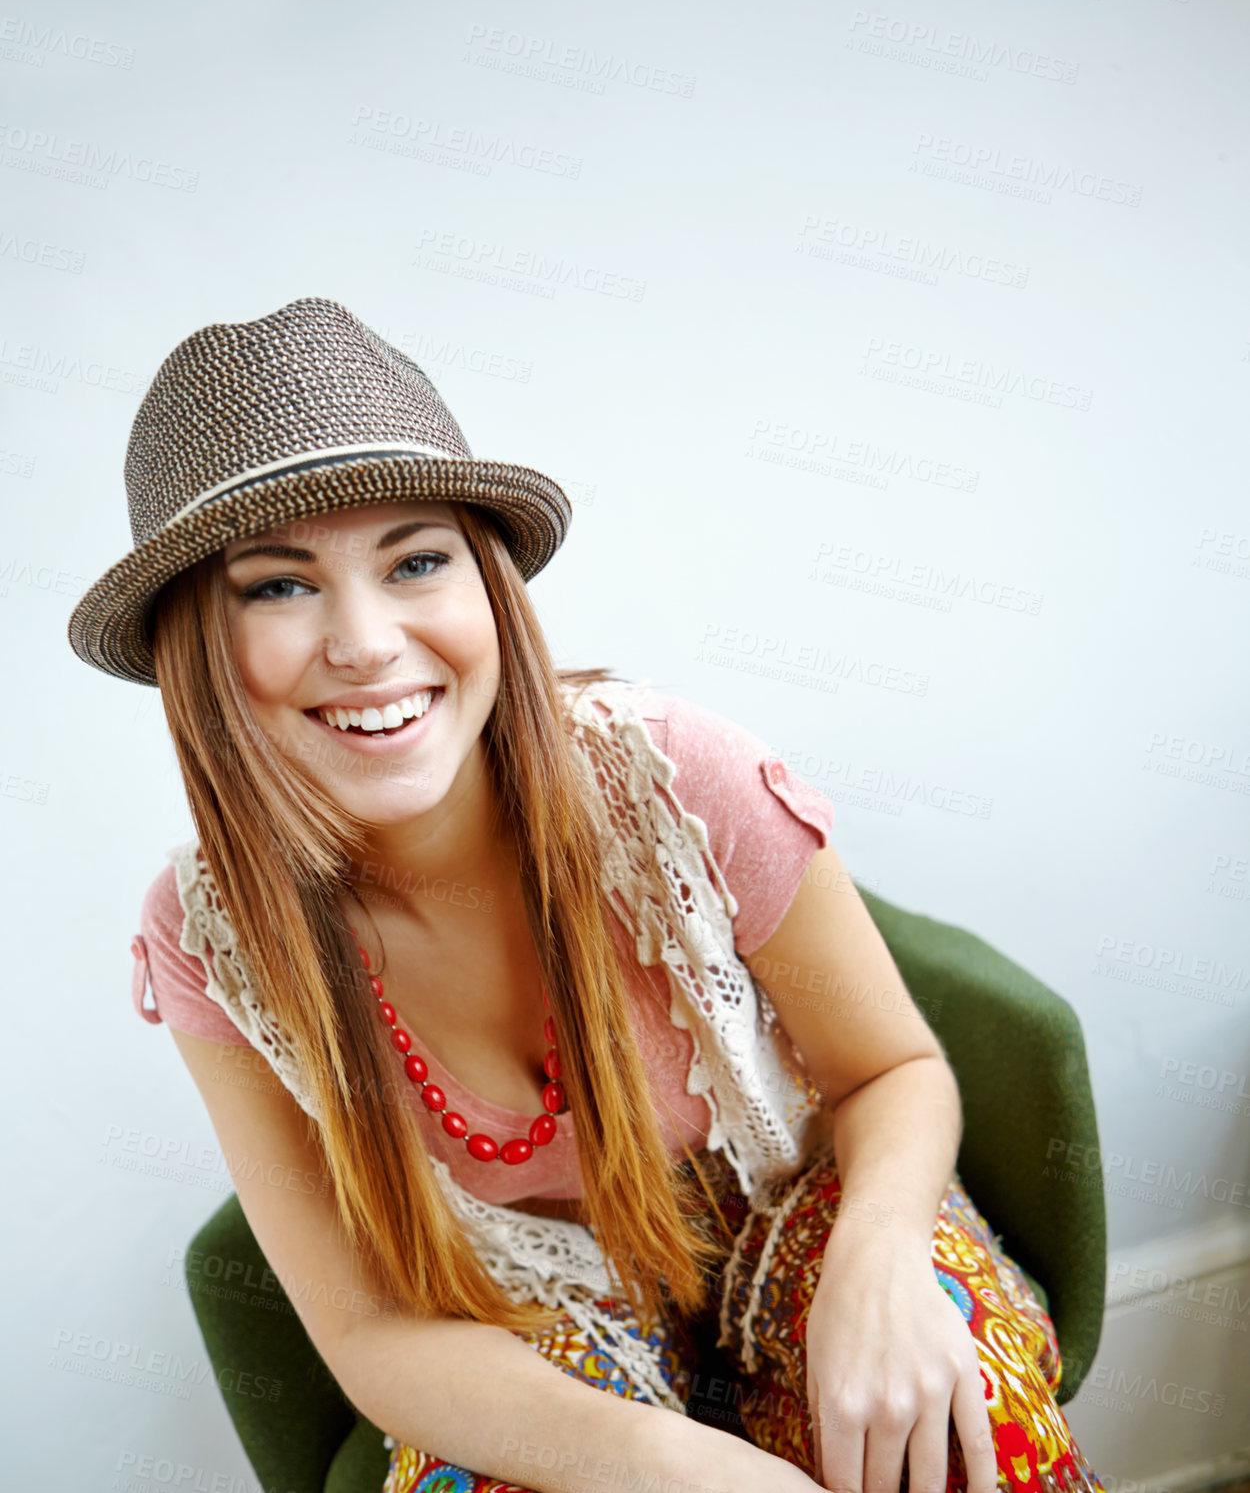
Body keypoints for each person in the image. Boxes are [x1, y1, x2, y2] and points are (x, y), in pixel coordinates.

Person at [68, 297, 1104, 1493]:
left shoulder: (670, 779)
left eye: (416, 560)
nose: (363, 642)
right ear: (198, 639)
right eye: (278, 588)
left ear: (488, 584)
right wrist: (675, 1466)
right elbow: (367, 1334)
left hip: (804, 1220)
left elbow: (894, 1070)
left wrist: (876, 1265)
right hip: (518, 1325)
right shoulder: (206, 938)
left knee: (958, 1412)